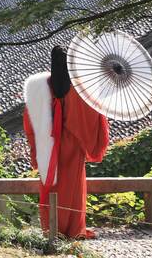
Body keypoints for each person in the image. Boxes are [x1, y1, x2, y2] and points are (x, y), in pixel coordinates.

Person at [23, 45, 109, 239]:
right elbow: (91, 116)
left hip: (49, 146)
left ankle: (52, 229)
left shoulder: (43, 87)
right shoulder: (79, 90)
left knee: (51, 186)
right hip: (72, 145)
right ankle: (73, 229)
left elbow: (30, 119)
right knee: (73, 187)